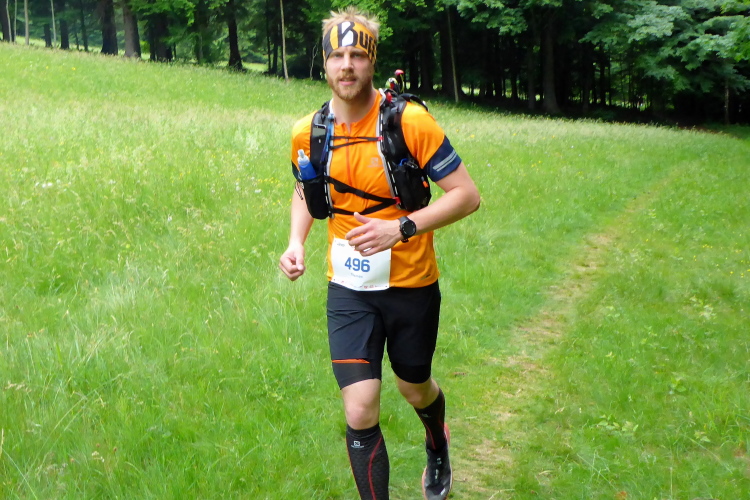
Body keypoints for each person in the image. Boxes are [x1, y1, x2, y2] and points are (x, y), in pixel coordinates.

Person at [279, 7, 480, 500]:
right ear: (324, 62)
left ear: (372, 61)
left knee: (414, 387)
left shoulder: (408, 122)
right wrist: (296, 242)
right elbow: (306, 189)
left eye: (357, 55)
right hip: (348, 287)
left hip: (411, 284)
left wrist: (402, 228)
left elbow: (466, 195)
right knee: (360, 406)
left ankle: (437, 442)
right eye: (337, 56)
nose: (346, 65)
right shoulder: (309, 131)